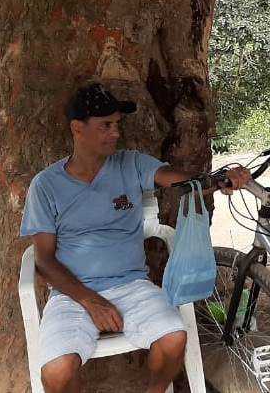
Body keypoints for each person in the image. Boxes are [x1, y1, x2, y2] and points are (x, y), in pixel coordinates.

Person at [20, 83, 250, 393]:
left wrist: (221, 179)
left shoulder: (130, 163)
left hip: (132, 287)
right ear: (78, 128)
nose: (115, 132)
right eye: (106, 125)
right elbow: (44, 259)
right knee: (57, 372)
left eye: (117, 124)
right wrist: (91, 300)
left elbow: (183, 182)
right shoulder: (46, 185)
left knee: (173, 339)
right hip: (72, 296)